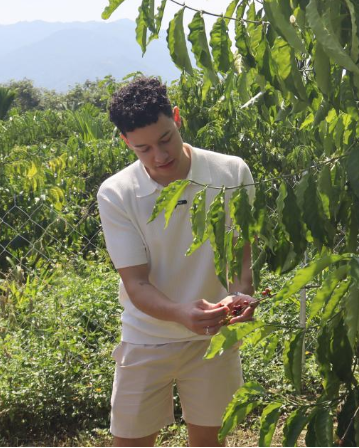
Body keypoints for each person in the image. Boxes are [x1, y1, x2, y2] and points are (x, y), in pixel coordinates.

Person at [96, 76, 257, 448]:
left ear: (177, 118)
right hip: (146, 338)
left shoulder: (231, 173)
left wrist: (240, 295)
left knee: (209, 441)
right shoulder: (117, 193)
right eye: (143, 149)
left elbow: (241, 250)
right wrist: (181, 313)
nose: (159, 156)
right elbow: (136, 284)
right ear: (125, 142)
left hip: (213, 336)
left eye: (166, 138)